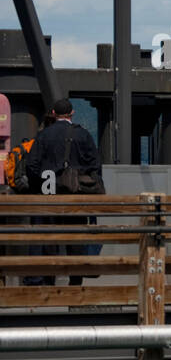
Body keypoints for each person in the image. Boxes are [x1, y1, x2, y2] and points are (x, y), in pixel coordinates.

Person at [24, 98, 104, 286]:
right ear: (72, 113)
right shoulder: (83, 135)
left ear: (53, 114)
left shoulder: (44, 135)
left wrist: (41, 186)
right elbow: (95, 165)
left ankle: (48, 280)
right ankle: (75, 281)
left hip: (49, 192)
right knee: (75, 238)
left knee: (49, 238)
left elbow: (32, 166)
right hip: (75, 194)